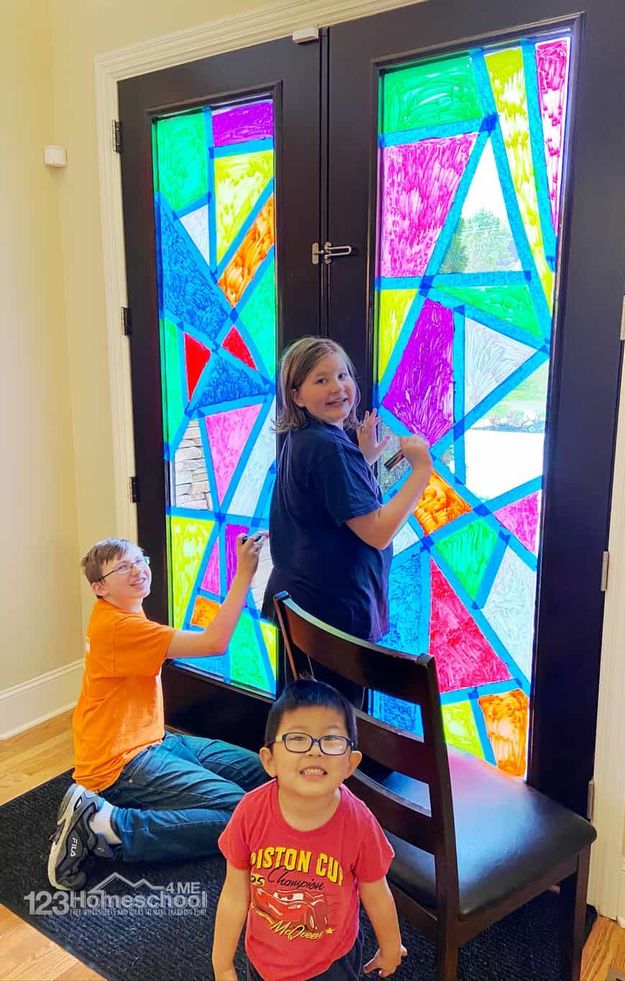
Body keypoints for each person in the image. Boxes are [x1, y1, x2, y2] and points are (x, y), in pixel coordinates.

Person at [47, 533, 271, 891]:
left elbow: (198, 634)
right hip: (120, 765)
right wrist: (244, 573)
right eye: (122, 567)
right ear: (98, 588)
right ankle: (107, 827)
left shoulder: (124, 609)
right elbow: (214, 642)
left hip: (155, 740)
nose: (137, 570)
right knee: (240, 814)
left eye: (139, 560)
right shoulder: (121, 628)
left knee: (267, 772)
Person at [212, 678, 407, 981]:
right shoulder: (250, 813)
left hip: (332, 963)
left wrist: (391, 946)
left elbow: (376, 893)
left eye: (331, 740)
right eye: (297, 739)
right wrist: (222, 964)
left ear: (350, 764)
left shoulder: (359, 822)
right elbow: (235, 893)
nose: (315, 751)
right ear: (270, 760)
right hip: (264, 957)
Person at [262, 336, 432, 649]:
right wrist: (421, 471)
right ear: (296, 395)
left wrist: (364, 460)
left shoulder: (304, 437)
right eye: (321, 380)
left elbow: (329, 503)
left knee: (308, 699)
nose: (337, 387)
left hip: (306, 608)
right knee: (335, 701)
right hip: (333, 619)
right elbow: (378, 532)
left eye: (343, 376)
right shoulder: (329, 450)